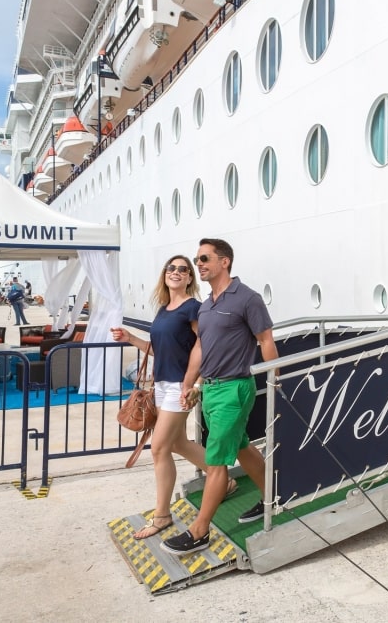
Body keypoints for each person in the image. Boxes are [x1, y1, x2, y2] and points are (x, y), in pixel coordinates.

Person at [161, 238, 278, 557]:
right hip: (210, 389)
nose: (198, 264)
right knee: (241, 446)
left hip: (233, 389)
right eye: (197, 259)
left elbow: (265, 339)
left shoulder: (247, 298)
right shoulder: (208, 304)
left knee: (216, 462)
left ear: (224, 262)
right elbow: (200, 347)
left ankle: (200, 532)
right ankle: (273, 496)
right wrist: (189, 383)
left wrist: (275, 378)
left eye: (204, 259)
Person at [110, 255, 238, 540]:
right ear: (164, 274)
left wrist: (196, 383)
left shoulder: (194, 308)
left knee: (158, 448)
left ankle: (162, 516)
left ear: (190, 278)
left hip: (182, 385)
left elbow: (206, 346)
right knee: (177, 443)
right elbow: (159, 350)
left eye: (183, 269)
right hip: (162, 385)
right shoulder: (164, 310)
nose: (177, 272)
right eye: (172, 268)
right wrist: (130, 339)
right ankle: (223, 480)